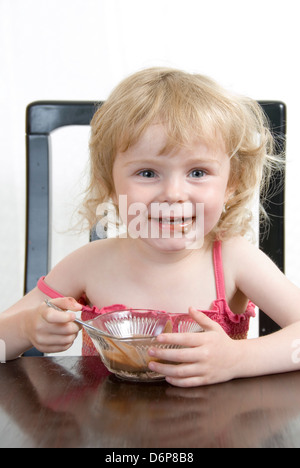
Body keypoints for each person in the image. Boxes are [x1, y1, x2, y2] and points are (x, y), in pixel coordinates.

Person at [1, 67, 299, 388]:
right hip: (110, 430)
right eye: (147, 173)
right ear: (110, 184)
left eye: (198, 172)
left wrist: (238, 359)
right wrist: (26, 328)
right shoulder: (88, 263)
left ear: (231, 184)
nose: (173, 194)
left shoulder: (234, 259)